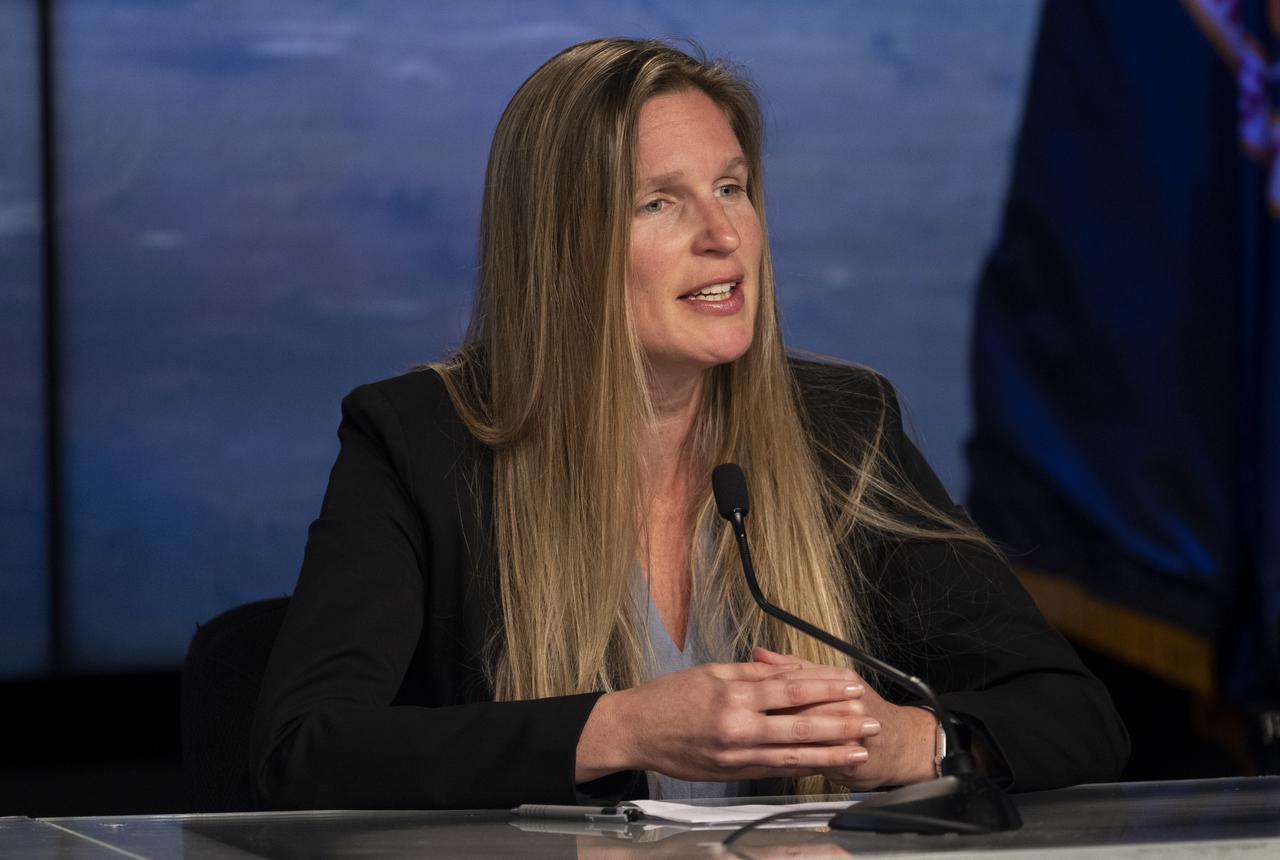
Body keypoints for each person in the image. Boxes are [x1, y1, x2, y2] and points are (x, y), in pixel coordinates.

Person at [250, 38, 1128, 810]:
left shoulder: (841, 429)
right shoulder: (421, 439)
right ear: (562, 246)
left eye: (732, 187)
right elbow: (304, 749)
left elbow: (1072, 713)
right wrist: (619, 728)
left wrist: (908, 742)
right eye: (659, 203)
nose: (723, 234)